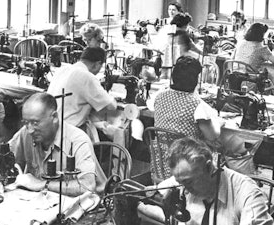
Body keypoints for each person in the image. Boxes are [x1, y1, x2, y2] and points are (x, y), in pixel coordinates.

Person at [138, 137, 274, 224]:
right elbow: (149, 197)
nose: (184, 189)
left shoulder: (246, 192)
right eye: (181, 183)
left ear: (209, 167)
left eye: (189, 182)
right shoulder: (182, 182)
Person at [9, 93, 105, 197]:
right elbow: (7, 155)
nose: (30, 129)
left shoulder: (78, 140)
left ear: (54, 117)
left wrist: (41, 184)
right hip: (43, 201)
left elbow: (87, 187)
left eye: (35, 123)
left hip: (84, 205)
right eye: (26, 123)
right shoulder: (26, 133)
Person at [47, 47, 117, 142]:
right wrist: (112, 97)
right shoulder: (87, 76)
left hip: (50, 129)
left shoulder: (63, 70)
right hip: (67, 134)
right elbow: (111, 106)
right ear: (97, 64)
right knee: (107, 142)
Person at [154, 56, 221, 142]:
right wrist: (216, 122)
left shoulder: (160, 96)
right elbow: (212, 136)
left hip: (160, 153)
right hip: (185, 154)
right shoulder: (198, 106)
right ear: (196, 79)